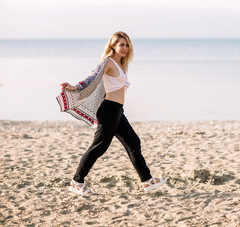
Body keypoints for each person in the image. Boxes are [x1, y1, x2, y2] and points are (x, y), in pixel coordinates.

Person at [57, 31, 166, 195]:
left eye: (127, 44)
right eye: (121, 44)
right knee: (99, 147)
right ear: (113, 46)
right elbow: (92, 78)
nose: (125, 48)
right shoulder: (108, 62)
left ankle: (147, 180)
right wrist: (75, 87)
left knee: (133, 142)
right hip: (108, 111)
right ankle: (76, 181)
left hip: (117, 111)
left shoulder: (121, 64)